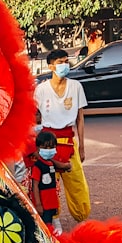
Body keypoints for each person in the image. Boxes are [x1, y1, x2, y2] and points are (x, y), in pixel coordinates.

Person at [33, 49, 90, 223]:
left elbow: (80, 118)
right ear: (51, 66)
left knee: (77, 183)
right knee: (49, 185)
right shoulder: (41, 89)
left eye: (66, 61)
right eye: (60, 62)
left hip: (68, 140)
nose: (64, 65)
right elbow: (35, 117)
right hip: (47, 143)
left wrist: (81, 146)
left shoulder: (76, 86)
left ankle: (82, 218)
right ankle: (54, 220)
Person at [26, 129, 66, 235]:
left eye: (51, 147)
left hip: (51, 203)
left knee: (49, 225)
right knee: (45, 227)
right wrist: (38, 204)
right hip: (43, 204)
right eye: (45, 147)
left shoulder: (51, 164)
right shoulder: (38, 166)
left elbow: (53, 188)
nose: (49, 150)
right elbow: (35, 186)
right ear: (38, 148)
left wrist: (55, 206)